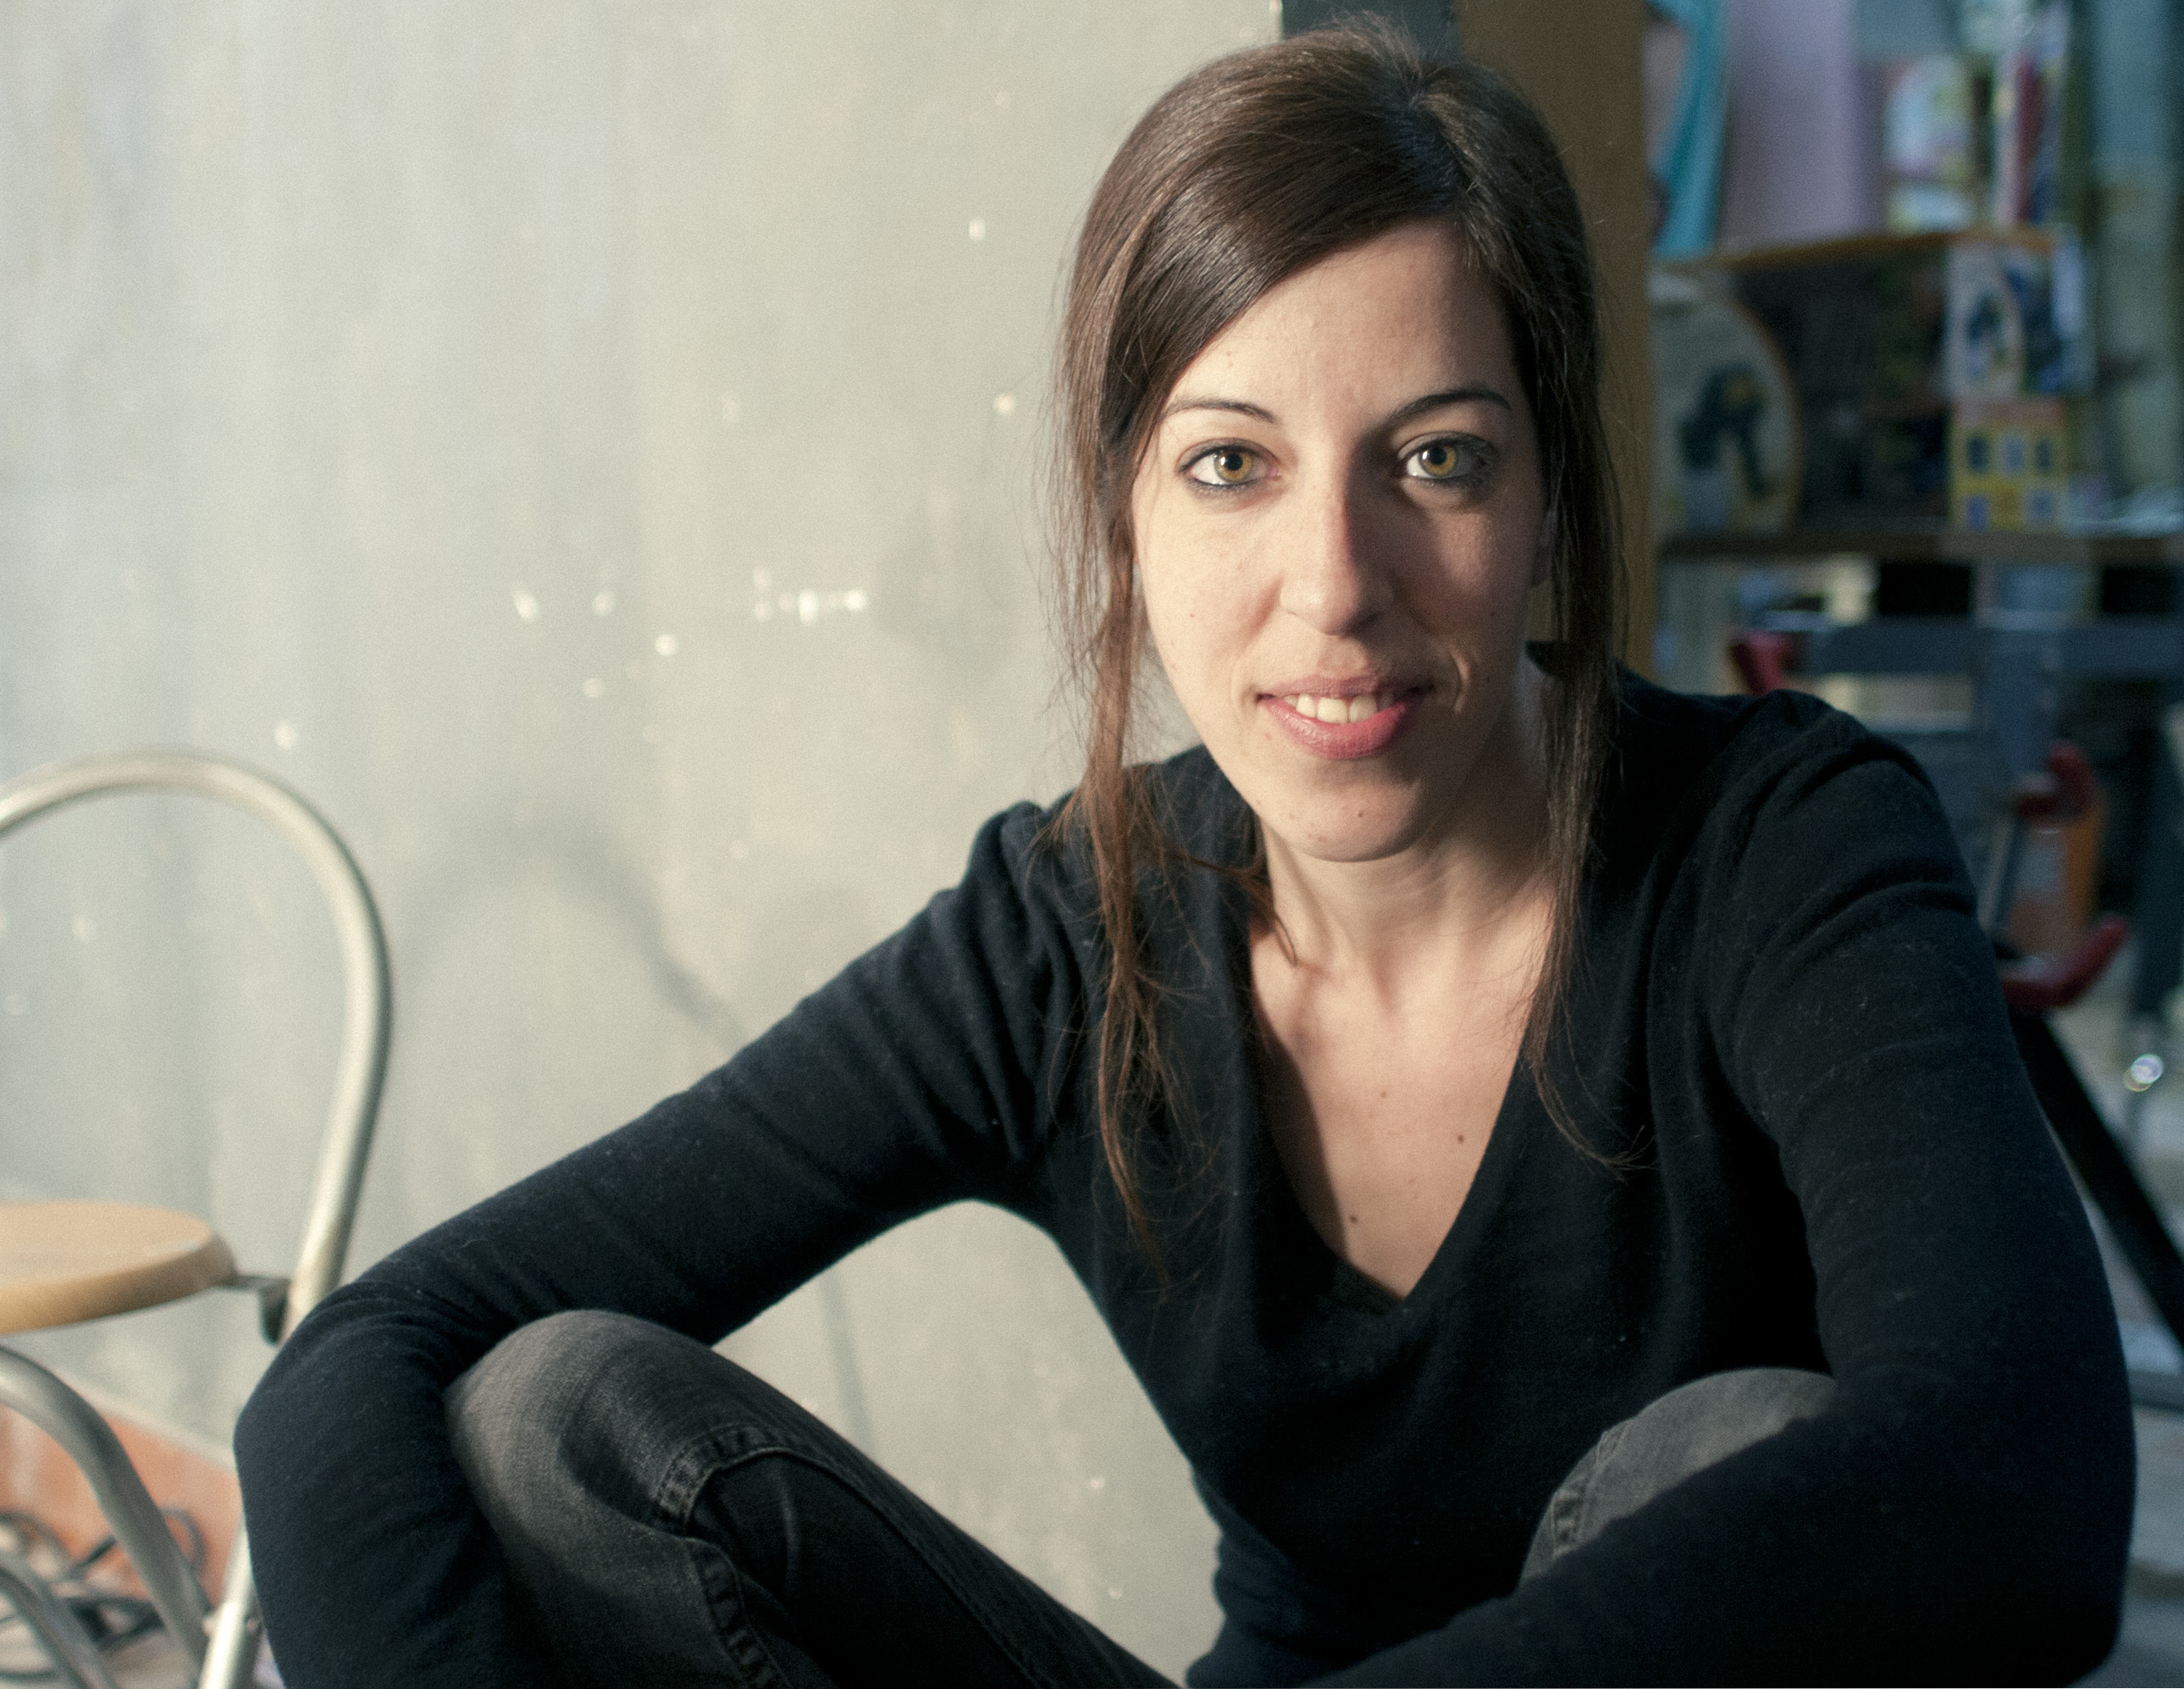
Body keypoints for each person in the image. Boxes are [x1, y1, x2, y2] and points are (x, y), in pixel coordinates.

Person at [235, 25, 2133, 1687]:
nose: (1335, 586)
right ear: (1129, 522)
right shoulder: (1071, 939)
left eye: (1439, 457)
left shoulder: (1780, 846)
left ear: (1550, 493)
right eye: (1232, 464)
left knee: (1741, 1448)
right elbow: (365, 1357)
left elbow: (2023, 1483)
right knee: (559, 1418)